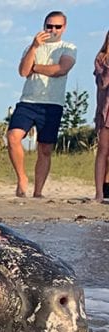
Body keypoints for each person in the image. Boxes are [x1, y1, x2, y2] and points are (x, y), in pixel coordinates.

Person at [6, 11, 77, 198]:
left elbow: (61, 69)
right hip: (28, 100)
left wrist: (35, 68)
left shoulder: (68, 47)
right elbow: (23, 71)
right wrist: (34, 47)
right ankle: (22, 178)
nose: (52, 30)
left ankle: (38, 192)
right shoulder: (31, 47)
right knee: (13, 137)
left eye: (57, 26)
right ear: (44, 26)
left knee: (45, 148)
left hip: (52, 103)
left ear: (64, 28)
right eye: (49, 26)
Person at [94, 30, 109, 203]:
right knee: (103, 150)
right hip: (106, 110)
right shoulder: (102, 59)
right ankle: (99, 192)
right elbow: (103, 84)